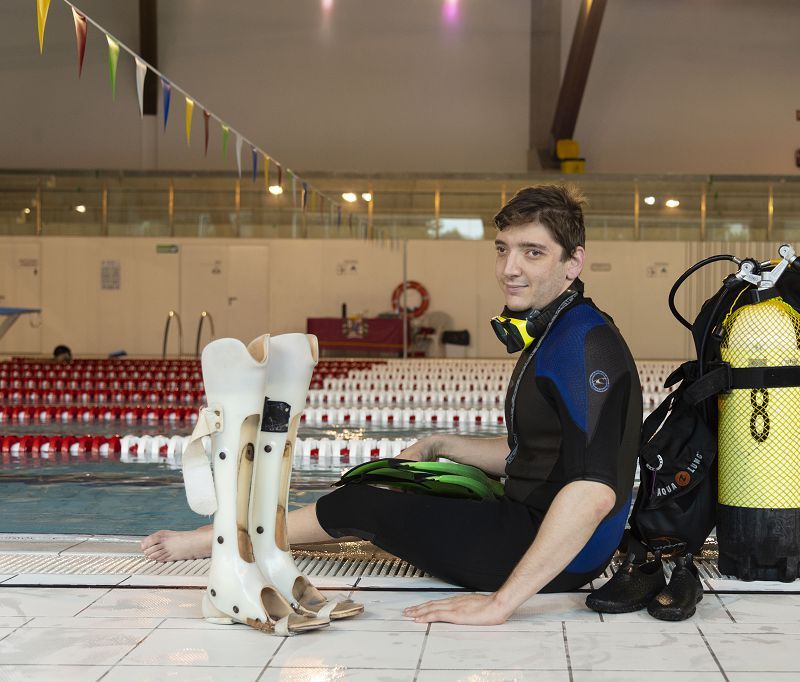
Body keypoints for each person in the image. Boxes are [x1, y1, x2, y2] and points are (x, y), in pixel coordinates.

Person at [142, 184, 642, 625]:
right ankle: (252, 537)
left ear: (572, 262)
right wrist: (445, 445)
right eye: (503, 249)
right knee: (390, 479)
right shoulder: (559, 329)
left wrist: (500, 604)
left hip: (560, 552)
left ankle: (216, 540)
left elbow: (593, 490)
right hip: (530, 517)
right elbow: (539, 451)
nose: (510, 269)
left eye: (533, 253)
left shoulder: (583, 346)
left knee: (366, 503)